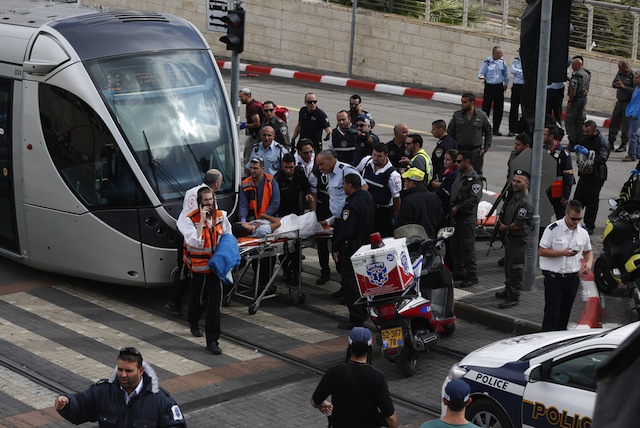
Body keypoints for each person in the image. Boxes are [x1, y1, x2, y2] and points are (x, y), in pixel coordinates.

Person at [54, 347, 187, 427]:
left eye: (128, 371)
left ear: (140, 371)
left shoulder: (160, 400)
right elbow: (82, 404)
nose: (123, 375)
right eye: (120, 369)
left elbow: (176, 425)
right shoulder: (103, 392)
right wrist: (67, 403)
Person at [177, 186, 232, 355]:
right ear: (199, 203)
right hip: (200, 269)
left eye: (211, 199)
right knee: (199, 301)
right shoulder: (189, 220)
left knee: (215, 304)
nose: (209, 203)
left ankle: (212, 341)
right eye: (206, 200)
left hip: (216, 268)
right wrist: (201, 221)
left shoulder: (221, 216)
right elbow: (194, 242)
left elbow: (228, 236)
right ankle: (193, 321)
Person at [311, 327, 397, 428]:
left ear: (349, 347)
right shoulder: (377, 377)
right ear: (371, 347)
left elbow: (315, 402)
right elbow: (390, 417)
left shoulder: (334, 372)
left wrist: (322, 404)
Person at [165, 169, 224, 316]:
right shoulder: (209, 196)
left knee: (184, 269)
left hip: (183, 232)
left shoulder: (191, 191)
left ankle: (178, 302)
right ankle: (180, 303)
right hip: (193, 236)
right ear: (217, 183)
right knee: (191, 272)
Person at [313, 150, 366, 290]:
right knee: (338, 258)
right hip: (338, 221)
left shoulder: (346, 171)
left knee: (346, 258)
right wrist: (329, 221)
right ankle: (344, 288)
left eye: (322, 164)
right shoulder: (330, 174)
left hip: (349, 223)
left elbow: (363, 189)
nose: (320, 168)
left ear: (330, 160)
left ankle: (351, 291)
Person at [539, 200, 593, 331]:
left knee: (565, 315)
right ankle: (545, 343)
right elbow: (541, 251)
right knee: (553, 315)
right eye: (573, 218)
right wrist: (561, 253)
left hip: (572, 278)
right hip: (554, 278)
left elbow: (588, 251)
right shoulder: (553, 229)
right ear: (566, 213)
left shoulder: (583, 232)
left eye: (579, 219)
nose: (576, 222)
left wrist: (588, 264)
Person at [332, 174, 374, 329]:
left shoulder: (351, 205)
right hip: (366, 245)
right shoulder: (366, 196)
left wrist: (336, 246)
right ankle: (363, 311)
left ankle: (356, 319)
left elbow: (346, 231)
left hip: (353, 248)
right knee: (362, 282)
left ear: (349, 185)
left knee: (351, 284)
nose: (342, 187)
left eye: (343, 184)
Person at [495, 170, 533, 309]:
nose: (515, 184)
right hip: (510, 239)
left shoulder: (525, 203)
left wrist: (504, 227)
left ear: (526, 184)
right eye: (514, 181)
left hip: (518, 240)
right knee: (508, 267)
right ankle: (508, 290)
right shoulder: (514, 197)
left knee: (515, 269)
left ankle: (514, 297)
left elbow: (517, 224)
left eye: (519, 181)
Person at [448, 150, 483, 288]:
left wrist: (458, 207)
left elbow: (474, 199)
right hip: (456, 217)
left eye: (459, 161)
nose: (456, 163)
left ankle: (472, 275)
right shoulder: (460, 175)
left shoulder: (474, 179)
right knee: (454, 246)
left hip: (466, 218)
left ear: (467, 162)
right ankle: (459, 271)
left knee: (467, 247)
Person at [356, 143, 402, 238]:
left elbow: (396, 199)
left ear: (386, 155)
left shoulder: (393, 175)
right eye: (374, 155)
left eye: (379, 156)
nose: (376, 158)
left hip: (382, 213)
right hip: (366, 209)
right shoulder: (366, 162)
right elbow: (356, 174)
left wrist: (395, 216)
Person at [572, 121, 610, 234]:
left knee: (592, 201)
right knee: (578, 198)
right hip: (585, 174)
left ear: (594, 130)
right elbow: (580, 144)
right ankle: (573, 220)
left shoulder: (602, 141)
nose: (585, 133)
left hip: (596, 176)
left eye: (587, 131)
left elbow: (602, 159)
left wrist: (588, 153)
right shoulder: (585, 137)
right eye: (584, 131)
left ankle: (589, 225)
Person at [447, 92, 492, 175]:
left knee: (476, 174)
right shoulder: (457, 115)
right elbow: (450, 133)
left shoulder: (481, 116)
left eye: (464, 102)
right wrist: (453, 149)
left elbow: (488, 133)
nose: (462, 104)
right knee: (458, 174)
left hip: (475, 152)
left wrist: (485, 148)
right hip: (460, 150)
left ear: (472, 103)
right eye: (461, 102)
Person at [397, 168, 442, 239]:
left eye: (406, 181)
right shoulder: (435, 197)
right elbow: (439, 218)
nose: (404, 184)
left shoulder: (408, 200)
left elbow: (403, 224)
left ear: (411, 183)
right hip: (432, 239)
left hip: (414, 241)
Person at [543, 125, 574, 220]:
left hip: (557, 193)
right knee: (543, 216)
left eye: (544, 134)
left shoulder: (563, 154)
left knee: (562, 218)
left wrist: (565, 195)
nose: (541, 136)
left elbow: (569, 177)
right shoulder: (542, 150)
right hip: (544, 192)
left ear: (551, 137)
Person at [477, 46, 509, 136]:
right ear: (495, 53)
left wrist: (506, 84)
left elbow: (505, 74)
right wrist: (481, 76)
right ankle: (484, 129)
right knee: (486, 108)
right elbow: (480, 73)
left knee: (499, 109)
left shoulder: (502, 62)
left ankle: (496, 129)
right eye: (500, 53)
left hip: (499, 87)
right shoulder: (487, 62)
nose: (502, 54)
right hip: (489, 87)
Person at [238, 156, 280, 223]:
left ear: (262, 169)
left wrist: (265, 216)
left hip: (268, 218)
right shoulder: (245, 184)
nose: (252, 170)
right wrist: (243, 220)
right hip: (252, 220)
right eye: (251, 168)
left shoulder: (271, 181)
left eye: (255, 168)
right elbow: (243, 205)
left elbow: (275, 203)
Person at [275, 153, 312, 217]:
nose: (288, 170)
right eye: (285, 167)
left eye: (291, 167)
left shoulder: (300, 172)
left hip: (297, 207)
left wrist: (308, 193)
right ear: (282, 165)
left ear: (295, 165)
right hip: (283, 209)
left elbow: (305, 185)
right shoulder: (278, 178)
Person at [609, 60, 635, 153]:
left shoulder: (633, 76)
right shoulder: (620, 73)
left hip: (628, 103)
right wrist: (617, 85)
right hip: (619, 101)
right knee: (614, 122)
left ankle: (623, 144)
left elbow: (635, 91)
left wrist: (624, 87)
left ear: (626, 68)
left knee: (625, 125)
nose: (619, 70)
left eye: (621, 69)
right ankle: (610, 141)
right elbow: (613, 84)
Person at [565, 57, 590, 146]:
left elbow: (573, 90)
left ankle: (572, 141)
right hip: (583, 98)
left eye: (573, 65)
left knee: (569, 120)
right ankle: (580, 140)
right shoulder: (586, 73)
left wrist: (570, 101)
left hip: (576, 100)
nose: (572, 67)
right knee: (580, 121)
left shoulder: (576, 75)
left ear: (578, 65)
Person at [431, 149, 460, 228]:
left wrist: (437, 185)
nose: (445, 161)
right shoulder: (444, 169)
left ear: (454, 162)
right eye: (444, 159)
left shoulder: (454, 173)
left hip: (445, 204)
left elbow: (444, 190)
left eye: (448, 160)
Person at [240, 88, 264, 166]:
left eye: (242, 97)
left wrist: (246, 125)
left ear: (247, 96)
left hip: (255, 136)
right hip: (256, 135)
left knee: (248, 155)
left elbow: (257, 123)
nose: (240, 99)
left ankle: (247, 175)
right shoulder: (253, 104)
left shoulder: (252, 107)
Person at [624, 71, 640, 162]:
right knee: (636, 135)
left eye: (637, 78)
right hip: (631, 113)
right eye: (634, 77)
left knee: (632, 135)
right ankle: (637, 153)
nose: (634, 79)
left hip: (636, 115)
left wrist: (635, 114)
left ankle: (632, 155)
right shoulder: (636, 88)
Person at [508, 55, 524, 137]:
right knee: (514, 108)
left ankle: (523, 130)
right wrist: (522, 72)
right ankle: (512, 129)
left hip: (525, 87)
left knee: (524, 109)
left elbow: (528, 72)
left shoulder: (529, 60)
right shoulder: (516, 61)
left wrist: (519, 73)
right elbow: (512, 70)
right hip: (516, 86)